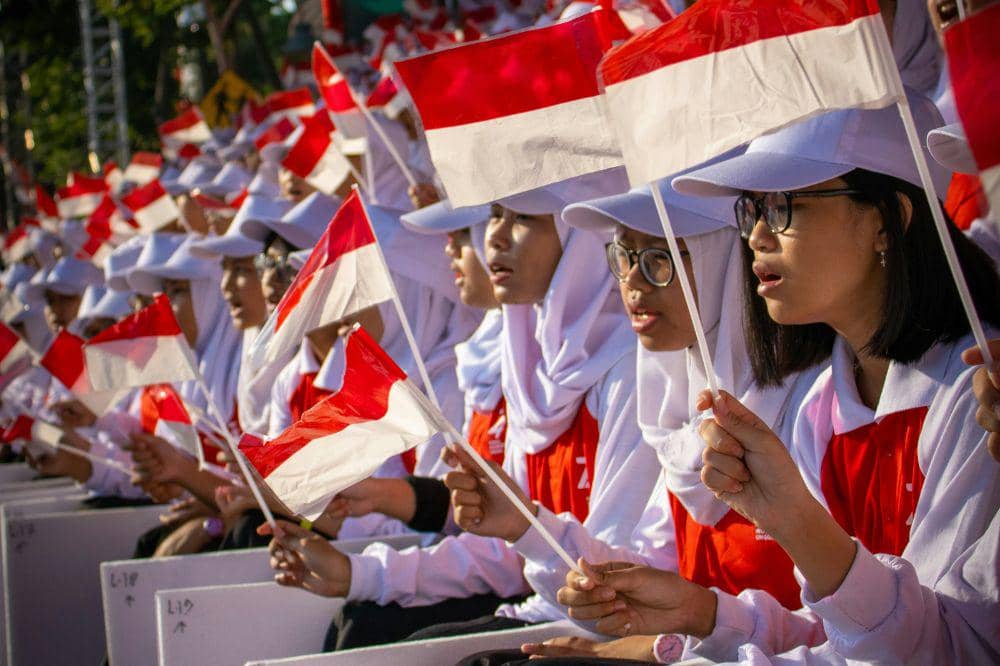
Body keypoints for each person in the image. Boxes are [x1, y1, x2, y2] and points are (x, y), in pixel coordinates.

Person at [559, 92, 1000, 664]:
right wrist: (700, 615)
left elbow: (941, 646)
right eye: (753, 209)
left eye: (785, 206)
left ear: (889, 220)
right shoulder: (823, 404)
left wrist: (789, 524)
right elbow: (837, 636)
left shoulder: (976, 391)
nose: (757, 236)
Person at [262, 175, 657, 650]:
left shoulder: (629, 374)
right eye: (494, 216)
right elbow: (503, 542)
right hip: (545, 605)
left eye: (523, 217)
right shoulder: (527, 370)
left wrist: (365, 552)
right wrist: (359, 571)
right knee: (362, 623)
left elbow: (605, 583)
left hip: (597, 624)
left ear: (579, 242)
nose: (494, 237)